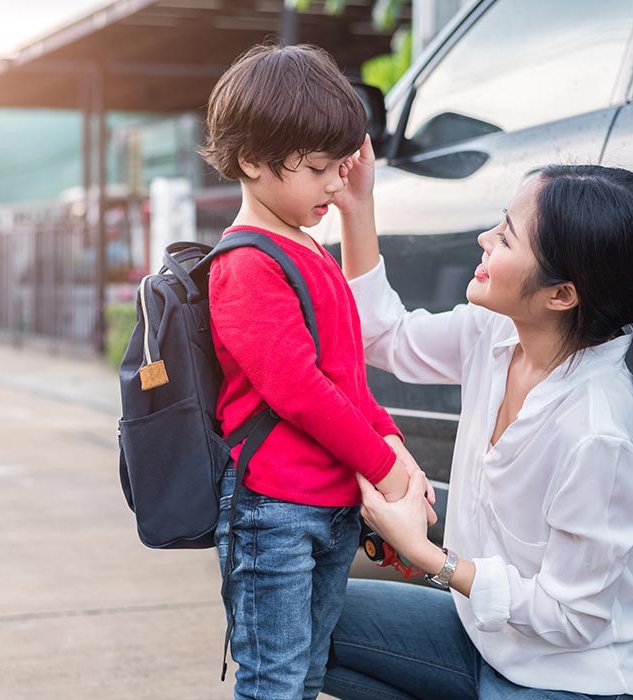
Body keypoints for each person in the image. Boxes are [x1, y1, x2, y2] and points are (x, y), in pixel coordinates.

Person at [323, 139, 633, 699]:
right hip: (485, 639)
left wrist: (428, 555)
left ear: (561, 294)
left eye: (505, 237)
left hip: (580, 675)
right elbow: (386, 337)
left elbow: (573, 618)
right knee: (292, 618)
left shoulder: (598, 431)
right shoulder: (497, 332)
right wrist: (357, 206)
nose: (484, 239)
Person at [198, 44, 436, 699]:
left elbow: (346, 378)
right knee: (274, 681)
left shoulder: (305, 247)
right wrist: (387, 471)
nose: (334, 184)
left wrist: (394, 448)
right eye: (316, 170)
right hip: (272, 512)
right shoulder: (246, 264)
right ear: (251, 160)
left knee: (303, 675)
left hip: (327, 508)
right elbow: (300, 391)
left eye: (338, 168)